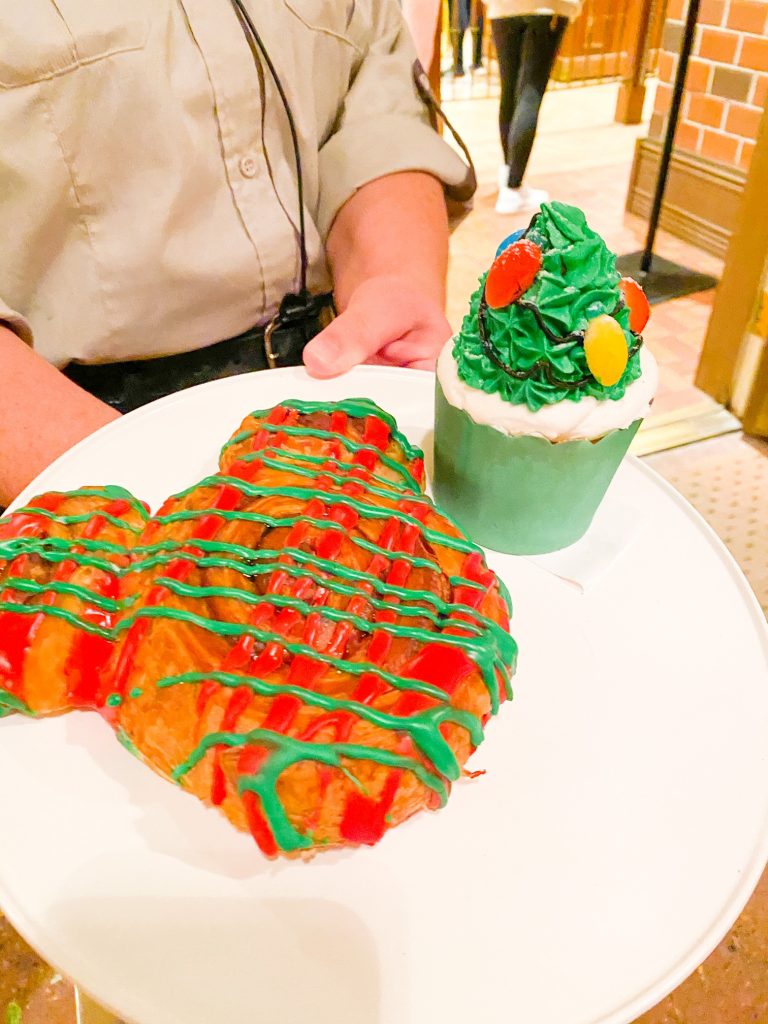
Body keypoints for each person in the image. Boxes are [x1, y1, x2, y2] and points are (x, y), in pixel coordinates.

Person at [0, 1, 474, 507]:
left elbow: (375, 99)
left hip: (335, 376)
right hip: (59, 439)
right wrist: (102, 475)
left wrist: (393, 277)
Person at [488, 1, 582, 214]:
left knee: (509, 92)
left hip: (502, 8)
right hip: (545, 7)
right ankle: (513, 189)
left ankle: (509, 174)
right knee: (529, 94)